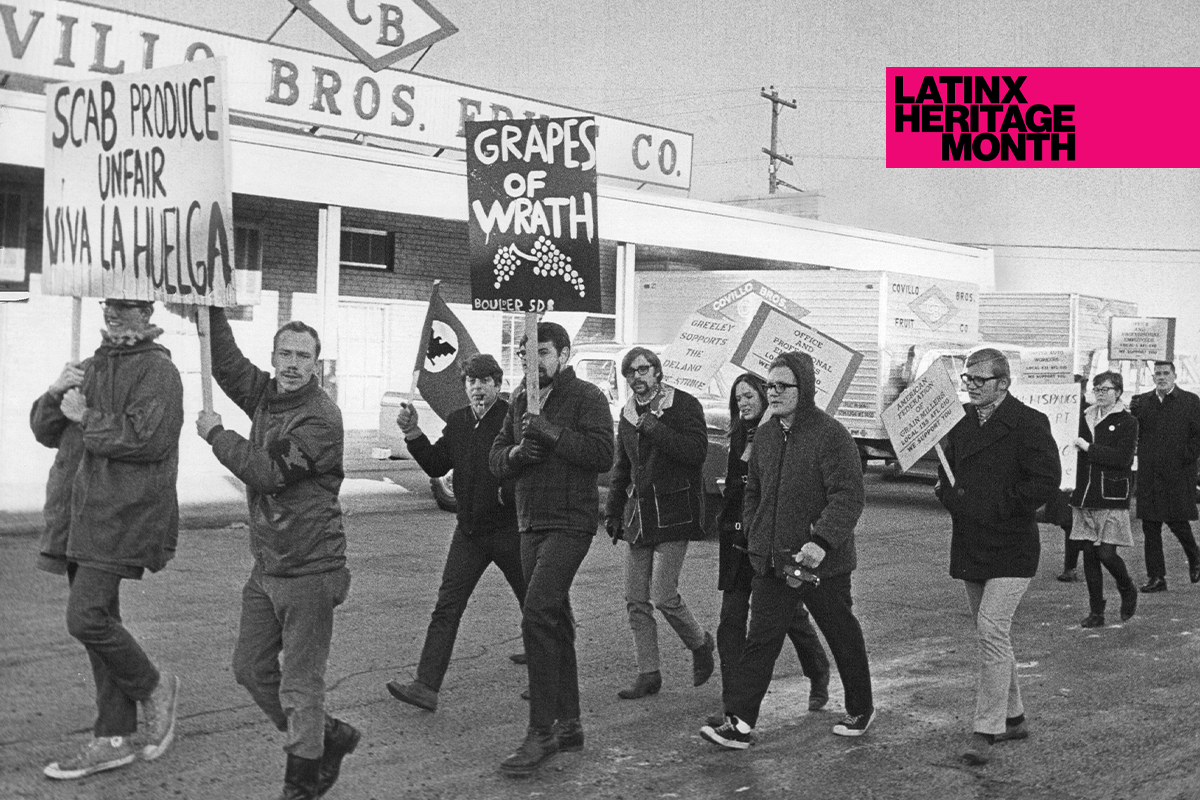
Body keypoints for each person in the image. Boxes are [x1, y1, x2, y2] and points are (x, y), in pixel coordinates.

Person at [196, 308, 358, 800]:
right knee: (251, 667)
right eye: (284, 354)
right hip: (268, 566)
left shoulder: (321, 419)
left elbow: (267, 473)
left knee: (300, 685)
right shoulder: (268, 395)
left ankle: (302, 783)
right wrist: (212, 308)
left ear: (317, 365)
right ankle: (326, 735)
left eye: (302, 356)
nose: (292, 363)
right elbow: (226, 366)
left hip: (310, 568)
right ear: (273, 357)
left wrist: (217, 435)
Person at [31, 298, 182, 780]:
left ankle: (154, 688)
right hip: (77, 516)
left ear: (147, 310)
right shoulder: (91, 364)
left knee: (87, 617)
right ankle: (112, 738)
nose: (114, 313)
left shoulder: (158, 371)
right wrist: (57, 392)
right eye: (109, 304)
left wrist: (85, 418)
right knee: (102, 622)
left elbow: (147, 440)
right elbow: (43, 430)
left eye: (126, 305)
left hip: (120, 514)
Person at [700, 352, 873, 750]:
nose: (772, 393)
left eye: (782, 386)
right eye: (770, 386)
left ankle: (861, 708)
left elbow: (848, 496)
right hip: (773, 561)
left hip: (819, 564)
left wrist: (821, 542)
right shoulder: (764, 434)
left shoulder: (831, 435)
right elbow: (754, 491)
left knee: (841, 633)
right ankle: (740, 722)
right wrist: (758, 534)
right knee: (760, 640)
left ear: (804, 389)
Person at [489, 321, 614, 778]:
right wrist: (519, 454)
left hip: (570, 522)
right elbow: (497, 456)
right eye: (525, 353)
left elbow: (604, 453)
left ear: (563, 353)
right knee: (555, 618)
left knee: (537, 612)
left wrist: (551, 433)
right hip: (530, 521)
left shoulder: (587, 397)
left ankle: (541, 730)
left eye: (541, 352)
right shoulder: (521, 397)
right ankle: (570, 723)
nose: (532, 361)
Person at [936, 348, 1060, 766]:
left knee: (991, 628)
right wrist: (948, 494)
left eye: (978, 380)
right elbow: (947, 474)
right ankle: (1015, 716)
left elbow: (1045, 481)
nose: (969, 386)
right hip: (972, 541)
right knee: (992, 634)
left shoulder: (1029, 423)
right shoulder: (960, 423)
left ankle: (985, 729)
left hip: (1011, 545)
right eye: (967, 379)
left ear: (1003, 383)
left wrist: (996, 504)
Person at [386, 353, 526, 711]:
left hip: (509, 531)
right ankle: (426, 686)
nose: (477, 388)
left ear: (498, 385)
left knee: (537, 603)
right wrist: (412, 432)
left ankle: (551, 673)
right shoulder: (460, 421)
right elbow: (436, 463)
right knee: (447, 607)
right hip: (470, 533)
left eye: (484, 381)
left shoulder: (513, 420)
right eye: (471, 382)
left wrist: (506, 493)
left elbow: (528, 468)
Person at [711, 372, 829, 721]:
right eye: (738, 398)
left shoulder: (779, 436)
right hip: (737, 540)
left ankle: (818, 669)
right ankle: (732, 702)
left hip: (770, 542)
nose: (743, 402)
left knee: (789, 618)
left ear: (764, 399)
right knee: (730, 620)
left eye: (750, 395)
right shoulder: (736, 437)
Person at [604, 347, 714, 700]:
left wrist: (655, 427)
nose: (637, 377)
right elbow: (623, 466)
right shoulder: (628, 413)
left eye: (643, 369)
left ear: (657, 372)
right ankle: (648, 673)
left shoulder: (682, 405)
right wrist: (612, 510)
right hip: (639, 516)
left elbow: (696, 453)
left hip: (674, 512)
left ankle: (700, 644)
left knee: (665, 595)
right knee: (635, 599)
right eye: (630, 372)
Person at [1070, 371, 1139, 627]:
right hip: (1085, 492)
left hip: (1110, 493)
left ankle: (1126, 587)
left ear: (1118, 392)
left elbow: (1123, 458)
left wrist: (1090, 448)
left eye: (1106, 389)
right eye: (1097, 389)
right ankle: (1096, 611)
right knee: (1089, 553)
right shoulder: (1085, 417)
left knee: (1106, 553)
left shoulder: (1127, 421)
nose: (1100, 393)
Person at [1129, 360, 1200, 593]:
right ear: (1153, 377)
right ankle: (1157, 577)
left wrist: (1186, 457)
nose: (1161, 377)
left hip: (1178, 473)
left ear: (1175, 375)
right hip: (1150, 473)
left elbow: (1197, 436)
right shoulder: (1143, 402)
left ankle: (1196, 559)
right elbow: (1135, 431)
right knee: (1150, 526)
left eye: (1165, 373)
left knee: (1178, 522)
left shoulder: (1190, 401)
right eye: (1157, 373)